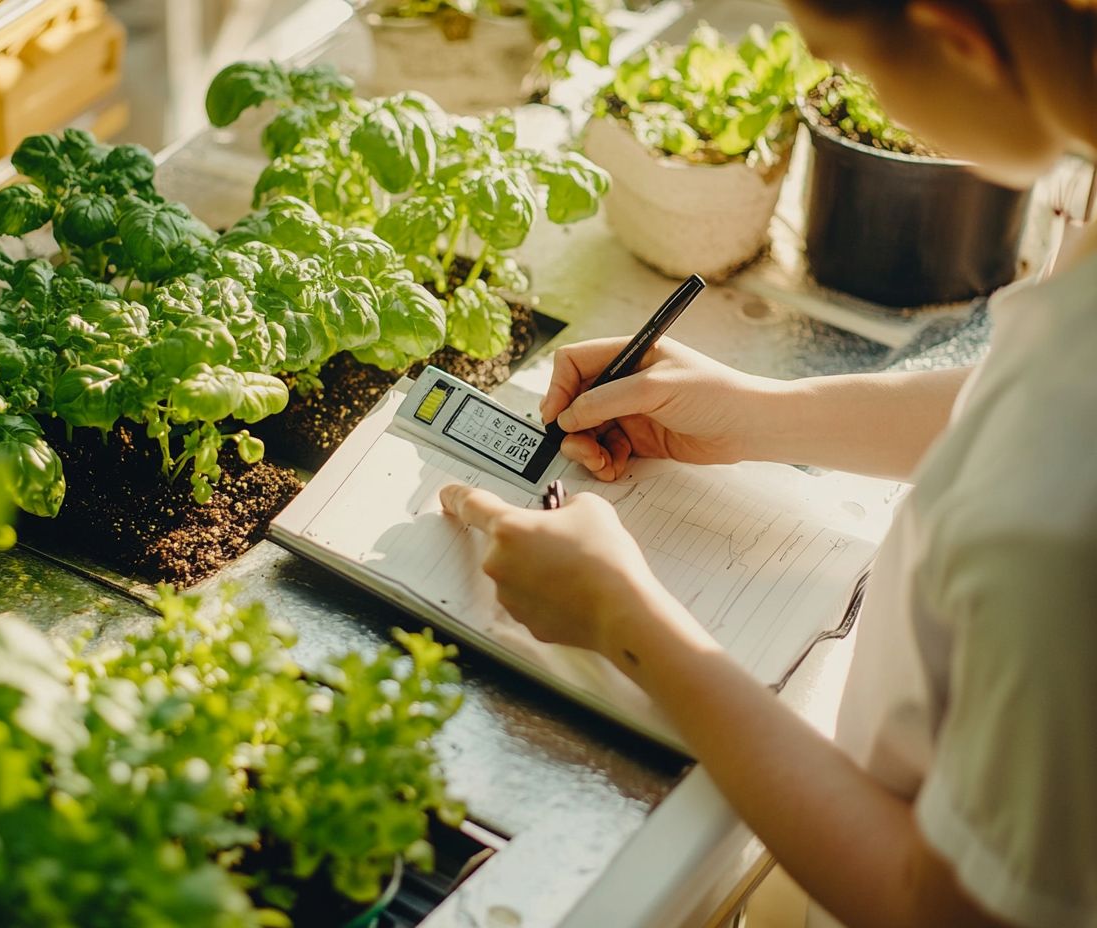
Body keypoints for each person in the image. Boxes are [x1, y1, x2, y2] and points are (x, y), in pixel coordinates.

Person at [438, 1, 1097, 926]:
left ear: (957, 38)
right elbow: (1022, 388)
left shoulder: (1061, 511)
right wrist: (764, 412)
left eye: (851, 67)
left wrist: (630, 627)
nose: (864, 107)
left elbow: (947, 909)